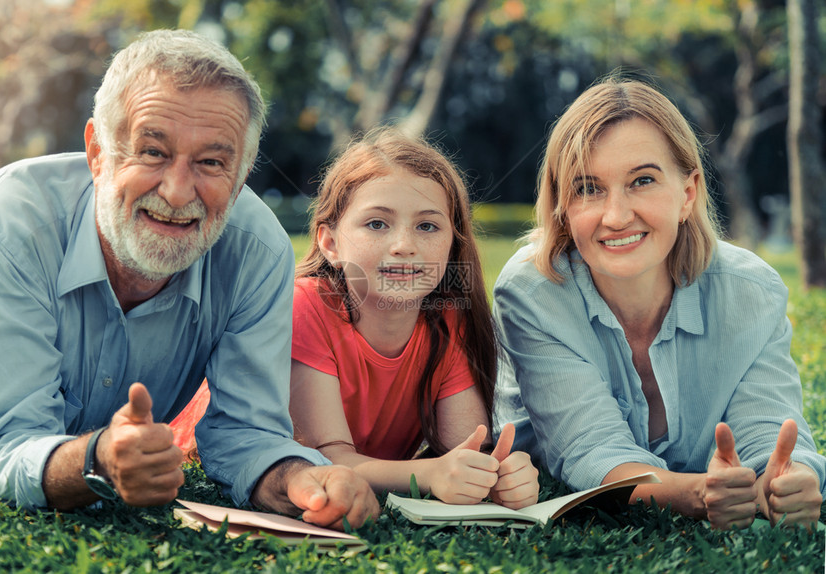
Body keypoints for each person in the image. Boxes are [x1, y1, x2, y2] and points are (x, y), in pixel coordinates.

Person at [0, 29, 378, 530]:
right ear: (98, 153)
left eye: (210, 163)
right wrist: (98, 460)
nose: (180, 192)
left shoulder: (256, 249)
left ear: (243, 173)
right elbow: (1, 449)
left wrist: (300, 479)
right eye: (153, 152)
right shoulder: (10, 224)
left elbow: (246, 432)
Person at [494, 77, 825, 529]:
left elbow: (771, 433)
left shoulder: (751, 292)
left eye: (642, 180)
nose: (616, 216)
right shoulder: (533, 293)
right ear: (562, 207)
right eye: (588, 188)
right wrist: (696, 493)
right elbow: (591, 452)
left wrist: (790, 482)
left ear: (688, 193)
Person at [287, 128, 539, 509]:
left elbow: (467, 449)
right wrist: (431, 474)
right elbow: (329, 460)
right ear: (330, 243)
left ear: (452, 244)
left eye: (427, 226)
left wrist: (497, 475)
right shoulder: (306, 306)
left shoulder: (447, 321)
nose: (404, 245)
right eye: (377, 224)